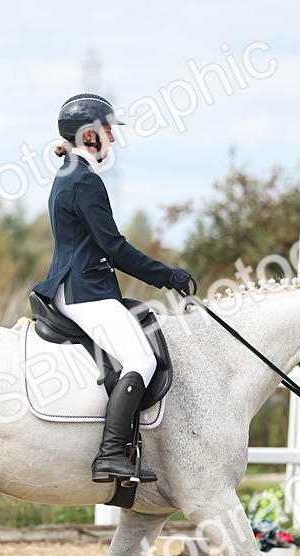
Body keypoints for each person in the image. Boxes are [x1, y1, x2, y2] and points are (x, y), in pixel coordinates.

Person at [33, 93, 194, 484]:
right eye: (108, 130)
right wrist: (167, 276)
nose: (114, 138)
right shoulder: (84, 181)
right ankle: (109, 455)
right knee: (142, 360)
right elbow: (114, 248)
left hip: (78, 286)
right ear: (89, 135)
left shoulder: (71, 174)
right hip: (85, 291)